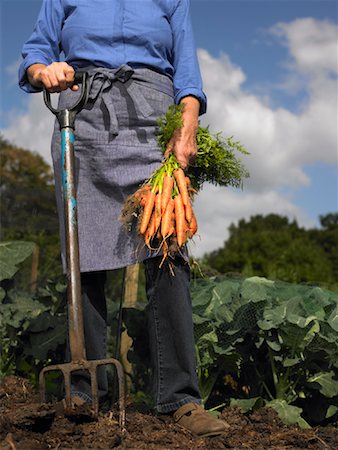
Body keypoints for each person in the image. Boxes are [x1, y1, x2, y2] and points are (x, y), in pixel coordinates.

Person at [19, 0, 229, 437]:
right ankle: (83, 391)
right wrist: (45, 72)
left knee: (169, 253)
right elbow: (34, 54)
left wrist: (187, 123)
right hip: (82, 118)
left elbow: (186, 70)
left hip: (154, 123)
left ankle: (180, 398)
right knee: (83, 257)